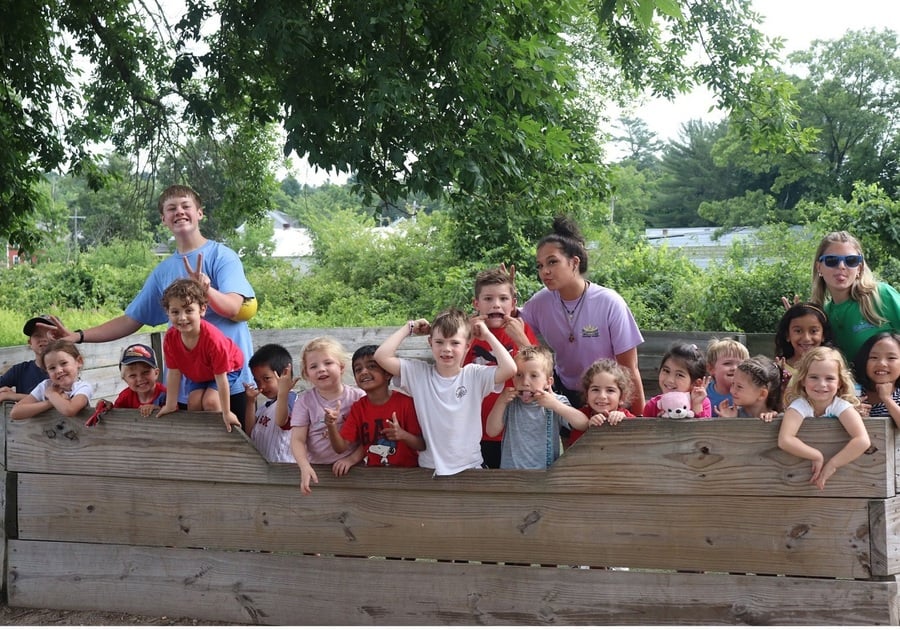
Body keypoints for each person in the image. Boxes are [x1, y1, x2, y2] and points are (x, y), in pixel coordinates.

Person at [46, 184, 256, 426]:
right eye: (171, 208)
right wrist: (79, 336)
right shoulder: (163, 271)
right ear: (163, 219)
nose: (179, 212)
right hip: (189, 384)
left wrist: (206, 288)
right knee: (195, 454)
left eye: (186, 206)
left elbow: (232, 308)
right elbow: (131, 319)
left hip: (229, 380)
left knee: (235, 451)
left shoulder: (222, 256)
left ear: (199, 213)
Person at [515, 216, 645, 413]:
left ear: (574, 262)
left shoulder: (609, 303)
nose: (545, 272)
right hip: (563, 392)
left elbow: (629, 368)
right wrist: (505, 295)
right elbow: (511, 326)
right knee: (572, 443)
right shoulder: (540, 302)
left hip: (606, 394)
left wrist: (640, 420)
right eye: (540, 266)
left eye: (552, 262)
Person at [374, 307, 516, 476]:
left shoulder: (474, 375)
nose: (446, 348)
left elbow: (510, 369)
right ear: (430, 343)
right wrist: (409, 328)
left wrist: (486, 335)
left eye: (455, 343)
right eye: (439, 342)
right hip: (430, 468)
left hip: (471, 467)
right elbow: (381, 356)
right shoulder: (418, 373)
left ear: (467, 347)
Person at [465, 266, 538, 468]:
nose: (496, 305)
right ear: (476, 304)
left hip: (516, 427)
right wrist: (468, 337)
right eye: (488, 299)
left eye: (503, 299)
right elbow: (450, 374)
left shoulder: (520, 329)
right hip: (475, 427)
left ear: (513, 304)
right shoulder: (465, 333)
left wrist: (522, 339)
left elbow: (543, 373)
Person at [155, 278, 243, 432]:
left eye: (189, 310)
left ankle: (220, 439)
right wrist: (170, 404)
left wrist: (227, 413)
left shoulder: (213, 340)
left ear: (202, 310)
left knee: (211, 402)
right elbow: (174, 373)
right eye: (175, 312)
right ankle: (199, 440)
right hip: (199, 371)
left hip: (227, 367)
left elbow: (222, 380)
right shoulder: (170, 338)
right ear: (168, 313)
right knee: (194, 403)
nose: (182, 317)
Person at [778, 346, 870, 490]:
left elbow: (862, 440)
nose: (821, 384)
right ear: (803, 379)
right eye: (814, 377)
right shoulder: (799, 406)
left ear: (839, 382)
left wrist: (833, 464)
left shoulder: (841, 406)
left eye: (829, 378)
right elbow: (785, 440)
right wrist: (816, 455)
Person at [485, 345, 588, 469]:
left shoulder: (556, 401)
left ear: (548, 382)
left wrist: (556, 405)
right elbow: (491, 431)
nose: (525, 382)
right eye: (519, 375)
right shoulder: (510, 402)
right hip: (511, 475)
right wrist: (500, 402)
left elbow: (583, 424)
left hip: (545, 476)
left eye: (533, 376)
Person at [325, 345, 424, 473]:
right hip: (374, 476)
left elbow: (422, 444)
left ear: (388, 373)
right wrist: (331, 425)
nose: (364, 372)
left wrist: (403, 435)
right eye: (358, 369)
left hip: (408, 475)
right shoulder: (358, 408)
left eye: (372, 366)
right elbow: (340, 447)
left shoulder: (406, 403)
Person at [810, 231, 900, 363]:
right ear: (819, 267)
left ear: (859, 268)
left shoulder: (881, 295)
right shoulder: (822, 315)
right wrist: (796, 319)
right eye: (832, 261)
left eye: (851, 261)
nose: (841, 266)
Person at [290, 337, 364, 494]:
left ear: (341, 367)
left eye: (328, 363)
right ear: (307, 374)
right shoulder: (305, 401)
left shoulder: (358, 397)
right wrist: (304, 466)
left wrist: (352, 459)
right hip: (317, 468)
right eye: (313, 366)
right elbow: (297, 439)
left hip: (354, 467)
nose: (321, 369)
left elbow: (370, 437)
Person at [10, 340, 93, 419]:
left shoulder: (83, 387)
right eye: (52, 368)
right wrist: (49, 403)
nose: (59, 370)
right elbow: (15, 412)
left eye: (64, 363)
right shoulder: (45, 385)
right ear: (47, 371)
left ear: (79, 361)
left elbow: (70, 410)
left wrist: (51, 394)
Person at [244, 343, 297, 463]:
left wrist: (284, 390)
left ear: (284, 373)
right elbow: (250, 433)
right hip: (264, 469)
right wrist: (251, 402)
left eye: (266, 378)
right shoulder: (265, 407)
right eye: (257, 381)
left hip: (283, 472)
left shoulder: (292, 400)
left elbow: (283, 422)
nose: (261, 386)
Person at [567, 358, 635, 446]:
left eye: (610, 390)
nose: (602, 396)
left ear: (621, 397)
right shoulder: (580, 416)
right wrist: (588, 427)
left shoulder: (625, 416)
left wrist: (625, 421)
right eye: (595, 389)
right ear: (587, 395)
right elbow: (574, 448)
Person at [642, 343, 711, 418]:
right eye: (666, 371)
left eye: (679, 375)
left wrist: (697, 406)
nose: (670, 380)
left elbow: (704, 429)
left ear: (696, 383)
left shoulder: (703, 403)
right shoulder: (653, 405)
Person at [0, 314, 56, 403]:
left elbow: (60, 400)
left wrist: (13, 396)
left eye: (48, 334)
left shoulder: (63, 370)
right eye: (37, 335)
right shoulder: (20, 370)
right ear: (30, 343)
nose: (43, 339)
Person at [774, 302, 833, 382]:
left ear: (823, 335)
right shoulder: (778, 370)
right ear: (787, 335)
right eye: (798, 331)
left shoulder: (833, 367)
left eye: (813, 331)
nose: (806, 338)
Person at [852, 332, 900, 428]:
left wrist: (887, 399)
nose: (882, 363)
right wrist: (851, 412)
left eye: (891, 358)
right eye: (874, 357)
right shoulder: (853, 392)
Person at [716, 355, 782, 421]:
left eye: (739, 387)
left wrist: (774, 419)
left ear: (762, 394)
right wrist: (729, 421)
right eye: (733, 384)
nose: (732, 391)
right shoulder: (729, 414)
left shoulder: (778, 417)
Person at [113, 343, 167, 416]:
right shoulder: (125, 397)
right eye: (132, 375)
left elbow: (177, 413)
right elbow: (115, 414)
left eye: (145, 372)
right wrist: (108, 408)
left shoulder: (165, 394)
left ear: (156, 373)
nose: (140, 379)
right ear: (125, 379)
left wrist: (158, 409)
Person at [705, 337, 750, 416]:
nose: (735, 368)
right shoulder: (704, 393)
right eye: (727, 363)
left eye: (741, 364)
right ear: (711, 368)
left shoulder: (749, 393)